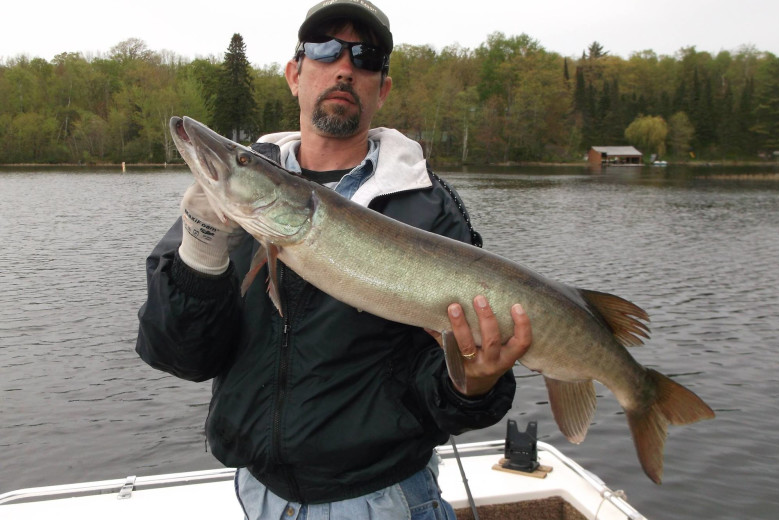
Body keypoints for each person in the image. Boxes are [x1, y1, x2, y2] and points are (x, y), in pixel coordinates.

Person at [136, 1, 532, 518]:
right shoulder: (231, 206)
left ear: (382, 89)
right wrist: (201, 249)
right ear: (294, 75)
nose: (345, 67)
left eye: (366, 57)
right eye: (325, 50)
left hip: (385, 500)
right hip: (260, 499)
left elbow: (441, 392)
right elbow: (181, 356)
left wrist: (474, 384)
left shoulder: (428, 207)